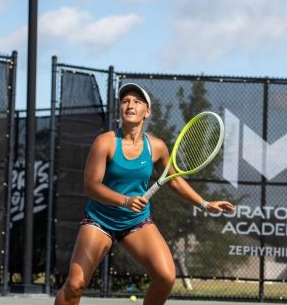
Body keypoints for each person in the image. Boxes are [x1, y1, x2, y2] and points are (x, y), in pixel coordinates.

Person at [55, 83, 235, 305]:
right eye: (125, 101)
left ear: (147, 112)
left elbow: (174, 179)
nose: (130, 105)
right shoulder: (105, 142)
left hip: (136, 222)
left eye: (137, 102)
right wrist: (126, 200)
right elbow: (91, 186)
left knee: (166, 277)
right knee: (75, 285)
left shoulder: (156, 147)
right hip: (100, 220)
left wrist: (205, 204)